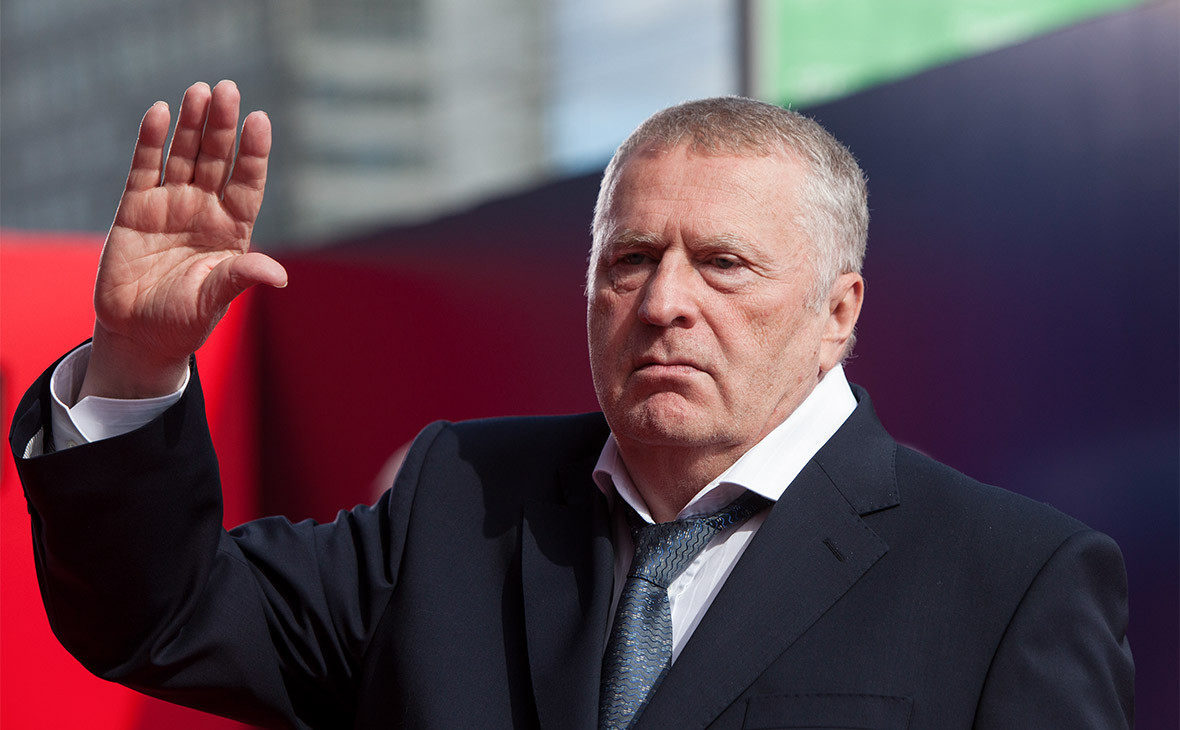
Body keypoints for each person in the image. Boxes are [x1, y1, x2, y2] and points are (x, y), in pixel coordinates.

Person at [10, 80, 1133, 729]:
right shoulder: (460, 502)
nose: (665, 303)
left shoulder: (1011, 581)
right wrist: (137, 360)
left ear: (838, 311)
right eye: (630, 259)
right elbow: (163, 616)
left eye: (723, 263)